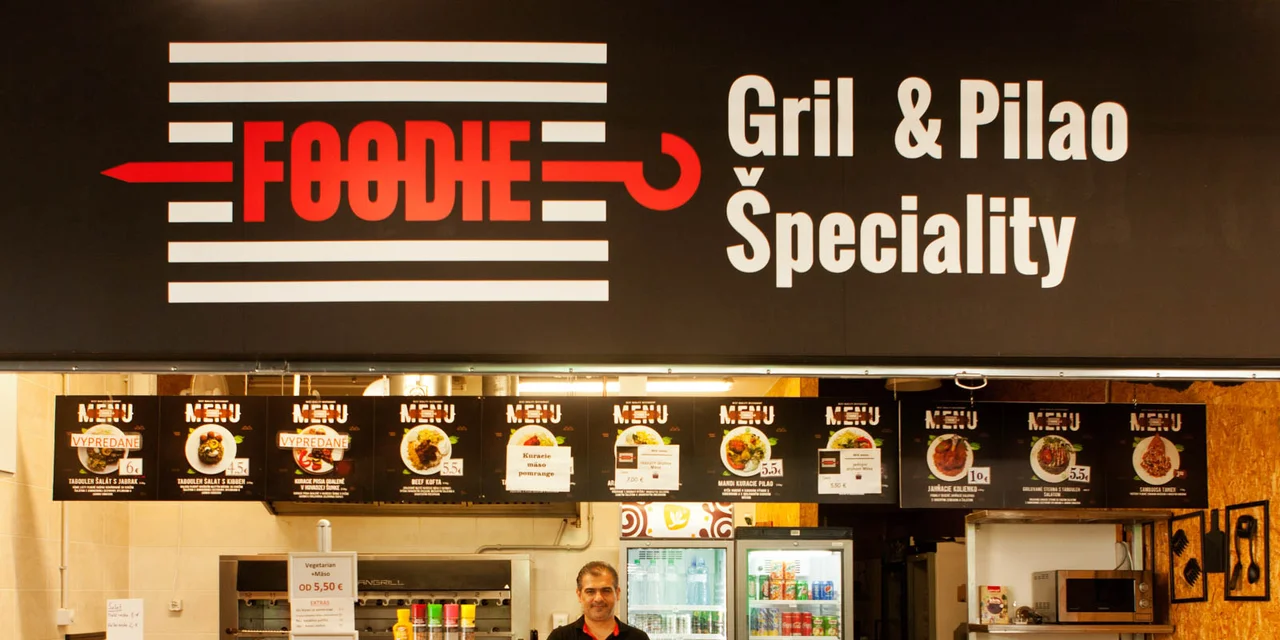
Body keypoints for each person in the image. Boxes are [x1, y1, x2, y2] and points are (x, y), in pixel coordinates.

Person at [548, 561, 650, 640]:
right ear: (579, 595)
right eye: (590, 591)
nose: (598, 598)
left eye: (606, 590)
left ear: (617, 593)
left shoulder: (638, 638)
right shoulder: (559, 637)